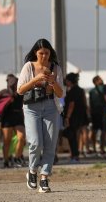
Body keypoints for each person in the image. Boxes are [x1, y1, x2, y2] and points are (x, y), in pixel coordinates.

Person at [17, 38, 64, 193]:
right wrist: (36, 79)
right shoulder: (28, 67)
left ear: (51, 53)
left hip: (51, 106)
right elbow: (20, 90)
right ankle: (32, 171)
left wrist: (53, 82)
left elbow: (60, 93)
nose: (44, 56)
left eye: (47, 53)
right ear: (35, 53)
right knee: (35, 142)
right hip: (32, 107)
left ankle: (44, 177)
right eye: (41, 53)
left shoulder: (55, 68)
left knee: (50, 144)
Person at [0, 74, 26, 168]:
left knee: (21, 137)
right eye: (15, 83)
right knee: (7, 140)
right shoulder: (4, 93)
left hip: (18, 117)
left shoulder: (20, 92)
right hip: (7, 118)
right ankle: (6, 160)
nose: (16, 84)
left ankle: (17, 157)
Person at [63, 73, 89, 163]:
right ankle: (75, 154)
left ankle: (75, 155)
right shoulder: (81, 90)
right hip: (81, 115)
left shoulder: (71, 91)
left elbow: (71, 105)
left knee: (72, 136)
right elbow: (85, 103)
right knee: (76, 135)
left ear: (70, 81)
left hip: (73, 116)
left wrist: (67, 117)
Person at [88, 75, 106, 155]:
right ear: (96, 81)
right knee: (102, 131)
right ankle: (101, 148)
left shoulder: (91, 91)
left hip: (94, 113)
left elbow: (90, 104)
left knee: (94, 131)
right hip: (101, 113)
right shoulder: (103, 89)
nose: (102, 79)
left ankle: (95, 148)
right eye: (100, 79)